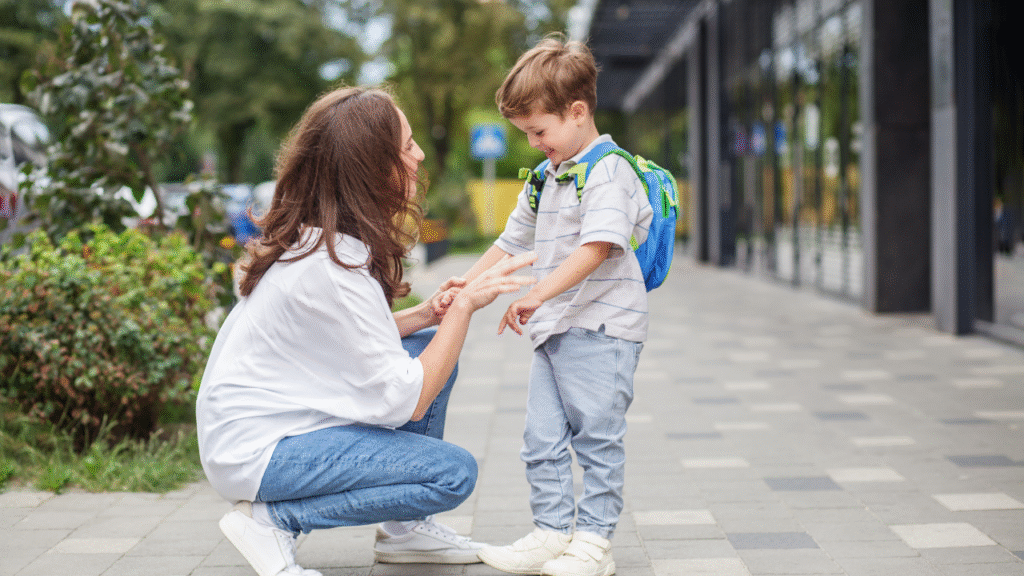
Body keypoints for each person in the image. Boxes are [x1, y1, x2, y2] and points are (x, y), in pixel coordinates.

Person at [195, 86, 537, 576]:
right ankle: (273, 519)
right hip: (258, 452)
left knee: (424, 344)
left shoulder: (323, 244)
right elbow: (407, 401)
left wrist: (425, 316)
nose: (419, 155)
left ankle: (405, 530)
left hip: (266, 430)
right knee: (451, 473)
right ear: (374, 167)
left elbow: (350, 340)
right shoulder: (329, 267)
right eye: (408, 146)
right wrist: (463, 307)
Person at [464, 37, 653, 576]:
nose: (533, 144)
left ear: (577, 112)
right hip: (555, 330)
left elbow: (598, 247)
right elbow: (511, 240)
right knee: (540, 439)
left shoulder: (608, 172)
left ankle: (594, 543)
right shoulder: (547, 177)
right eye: (526, 134)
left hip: (603, 328)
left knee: (597, 437)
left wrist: (536, 293)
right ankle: (551, 532)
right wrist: (462, 285)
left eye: (538, 132)